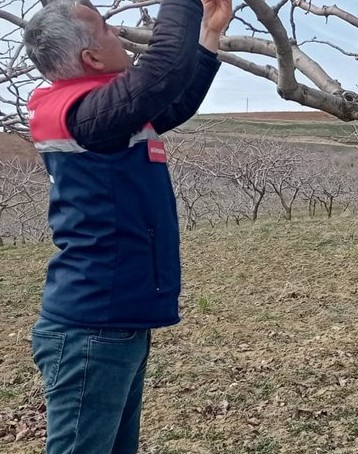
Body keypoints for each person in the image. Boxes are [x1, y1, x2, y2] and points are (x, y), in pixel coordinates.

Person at [23, 0, 231, 451]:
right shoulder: (89, 116)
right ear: (90, 59)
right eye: (106, 30)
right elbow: (161, 73)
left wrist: (209, 35)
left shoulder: (99, 113)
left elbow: (170, 101)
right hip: (92, 327)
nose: (119, 34)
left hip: (111, 320)